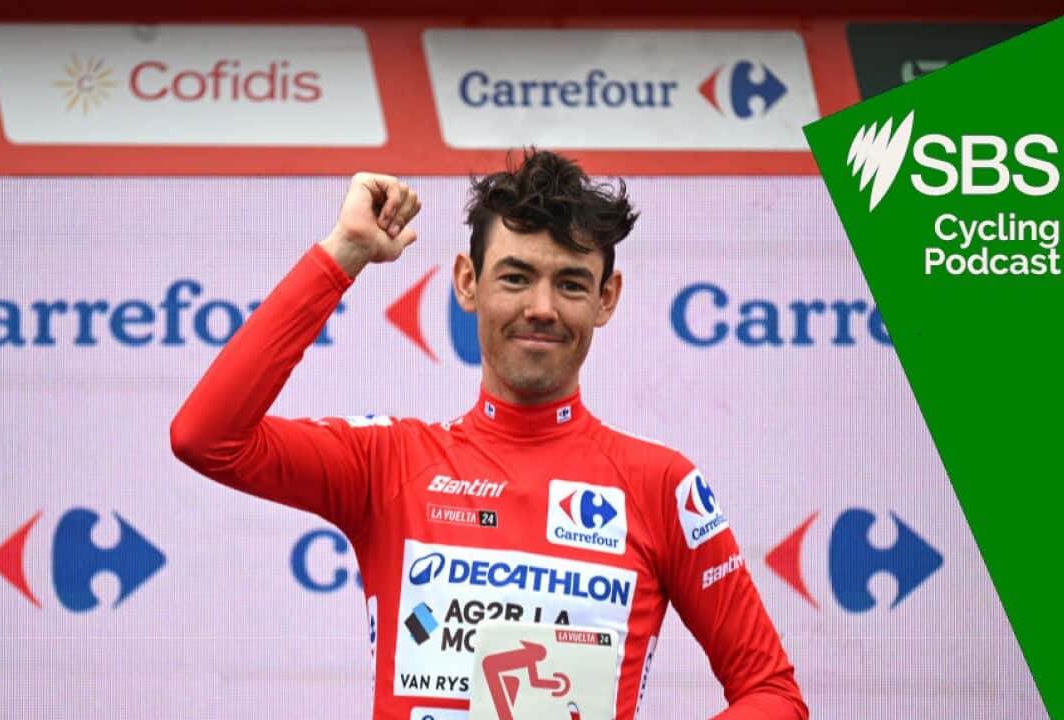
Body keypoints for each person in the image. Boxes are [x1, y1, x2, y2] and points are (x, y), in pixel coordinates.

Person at [170, 150, 808, 720]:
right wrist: (345, 251)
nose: (541, 307)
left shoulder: (660, 485)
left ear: (607, 299)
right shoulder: (388, 463)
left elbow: (772, 694)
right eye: (515, 276)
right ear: (466, 283)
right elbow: (206, 437)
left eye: (570, 283)